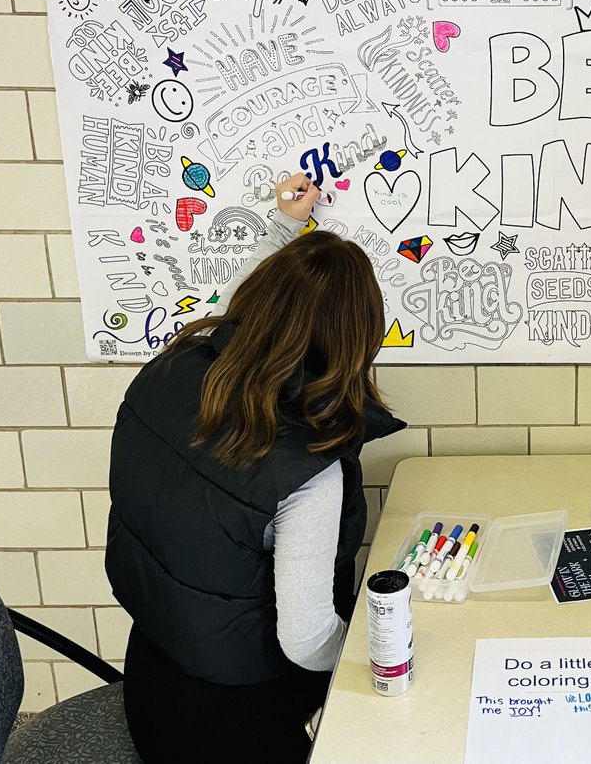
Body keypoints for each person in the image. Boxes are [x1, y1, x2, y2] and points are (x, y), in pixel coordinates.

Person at [106, 173, 406, 764]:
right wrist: (373, 657)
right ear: (352, 346)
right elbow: (305, 640)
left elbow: (238, 308)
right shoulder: (304, 470)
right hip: (240, 724)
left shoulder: (172, 371)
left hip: (152, 681)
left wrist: (284, 228)